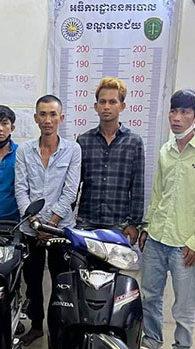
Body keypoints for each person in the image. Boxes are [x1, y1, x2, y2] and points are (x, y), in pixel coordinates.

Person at [138, 89, 195, 349]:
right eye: (174, 111)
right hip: (157, 236)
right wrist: (147, 226)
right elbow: (158, 193)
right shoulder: (166, 149)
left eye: (185, 112)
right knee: (150, 294)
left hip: (186, 242)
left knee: (184, 302)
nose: (177, 117)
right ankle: (152, 339)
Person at [14, 95, 82, 346]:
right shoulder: (24, 150)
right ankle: (36, 326)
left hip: (60, 230)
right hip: (31, 230)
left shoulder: (73, 150)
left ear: (61, 118)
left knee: (61, 283)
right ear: (36, 118)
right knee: (32, 282)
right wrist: (34, 223)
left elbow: (70, 191)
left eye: (53, 114)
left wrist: (50, 225)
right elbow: (21, 189)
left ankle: (59, 329)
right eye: (42, 114)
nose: (48, 120)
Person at [77, 77, 144, 239]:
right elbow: (74, 185)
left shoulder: (134, 142)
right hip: (86, 222)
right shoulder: (84, 141)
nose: (106, 107)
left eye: (112, 102)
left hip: (119, 225)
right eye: (102, 102)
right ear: (96, 106)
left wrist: (134, 223)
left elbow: (137, 187)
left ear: (122, 106)